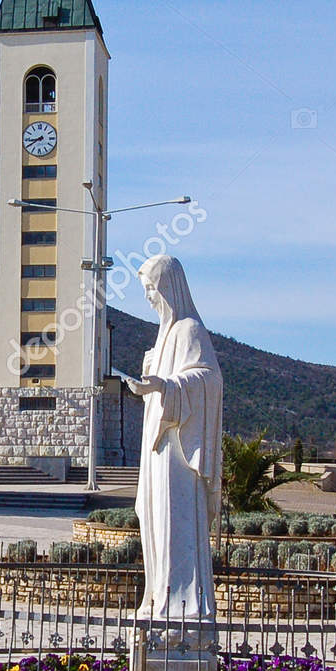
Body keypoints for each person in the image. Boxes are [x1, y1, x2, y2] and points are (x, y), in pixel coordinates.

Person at [125, 255, 224, 634]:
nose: (149, 297)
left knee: (175, 525)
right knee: (154, 520)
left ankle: (182, 603)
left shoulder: (189, 330)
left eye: (152, 288)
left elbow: (209, 380)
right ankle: (158, 596)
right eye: (146, 290)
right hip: (157, 449)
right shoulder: (165, 333)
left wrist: (165, 386)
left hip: (179, 454)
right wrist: (152, 379)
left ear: (169, 287)